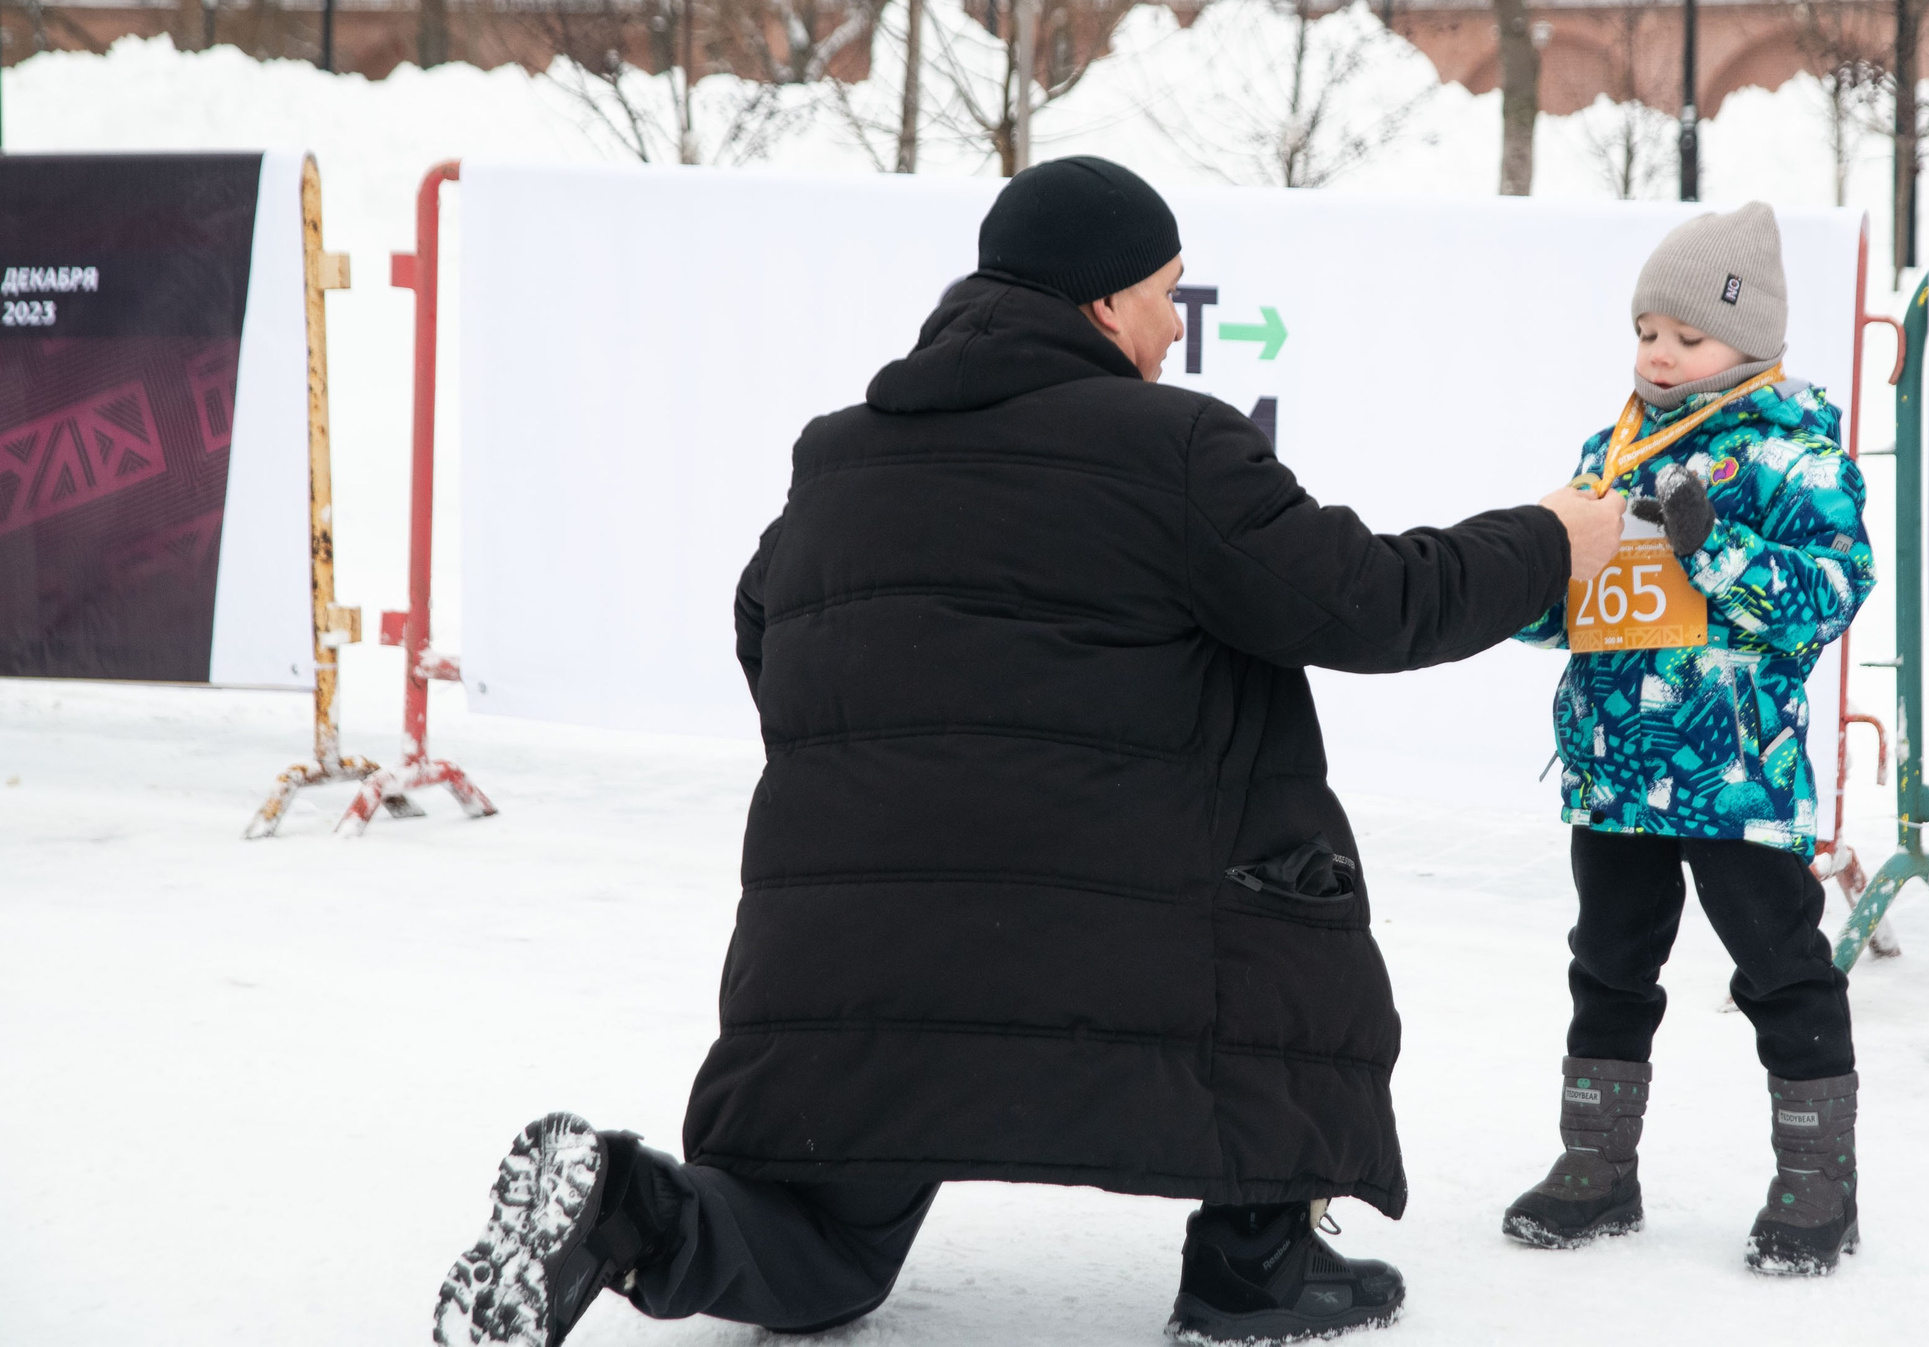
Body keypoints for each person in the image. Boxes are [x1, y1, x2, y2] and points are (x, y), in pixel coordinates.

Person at [430, 156, 1629, 1347]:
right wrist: (1546, 539)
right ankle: (1255, 1267)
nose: (1174, 328)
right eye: (1165, 293)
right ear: (1102, 302)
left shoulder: (840, 454)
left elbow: (767, 629)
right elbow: (1365, 602)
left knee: (821, 1256)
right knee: (1281, 902)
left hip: (854, 955)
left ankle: (626, 1211)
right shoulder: (1178, 451)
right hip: (1131, 941)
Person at [1500, 203, 1875, 1277]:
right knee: (1608, 966)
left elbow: (1830, 594)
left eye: (1687, 336)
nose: (1660, 354)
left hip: (1730, 776)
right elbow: (1572, 604)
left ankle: (1816, 1183)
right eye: (1647, 330)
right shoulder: (1610, 446)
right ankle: (1595, 1169)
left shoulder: (1791, 459)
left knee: (1777, 965)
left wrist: (1713, 551)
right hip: (1614, 769)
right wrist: (1523, 574)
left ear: (1749, 345)